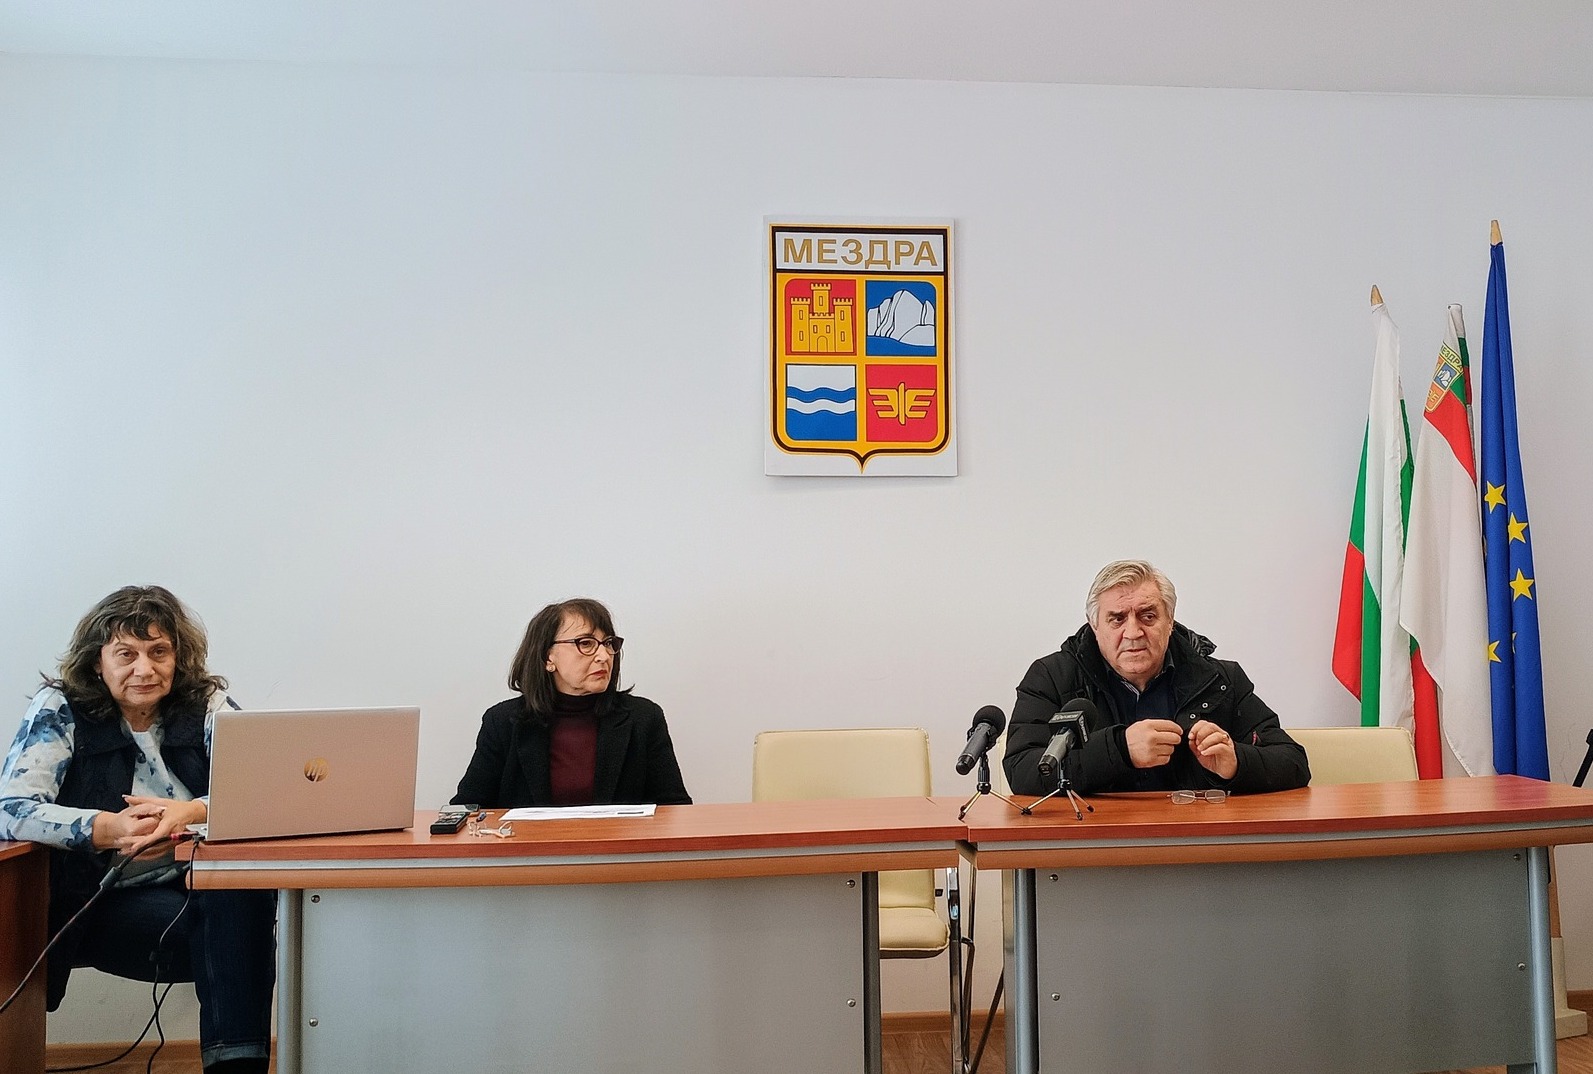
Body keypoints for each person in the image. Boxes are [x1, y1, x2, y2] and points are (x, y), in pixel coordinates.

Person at [0, 586, 275, 1074]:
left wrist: (189, 812)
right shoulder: (60, 707)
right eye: (126, 654)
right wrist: (107, 828)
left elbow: (261, 791)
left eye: (159, 652)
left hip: (197, 883)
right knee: (236, 936)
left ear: (178, 657)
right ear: (97, 661)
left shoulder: (207, 701)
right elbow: (11, 809)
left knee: (238, 898)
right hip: (97, 894)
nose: (144, 669)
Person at [1004, 560, 1309, 797]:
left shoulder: (1220, 679)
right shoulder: (1052, 677)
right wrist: (1120, 750)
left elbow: (1293, 763)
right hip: (1093, 841)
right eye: (1117, 618)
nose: (1134, 632)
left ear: (1170, 622)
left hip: (1197, 839)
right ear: (1094, 625)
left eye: (1148, 616)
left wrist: (1236, 763)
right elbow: (1022, 771)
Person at [453, 598, 692, 808]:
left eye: (608, 643)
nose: (604, 656)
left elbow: (675, 809)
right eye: (586, 643)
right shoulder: (503, 722)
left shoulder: (644, 718)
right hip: (532, 847)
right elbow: (468, 808)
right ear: (548, 657)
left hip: (617, 847)